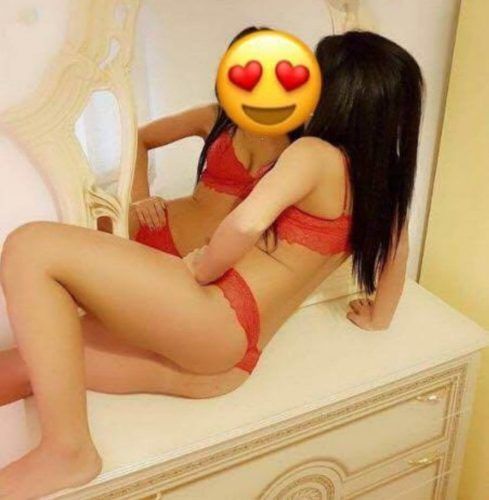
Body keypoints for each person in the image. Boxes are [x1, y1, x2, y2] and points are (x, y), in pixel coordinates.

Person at [0, 30, 423, 498]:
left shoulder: (313, 154)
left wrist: (199, 269)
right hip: (227, 366)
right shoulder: (382, 185)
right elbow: (396, 256)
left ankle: (67, 452)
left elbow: (245, 223)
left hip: (215, 320)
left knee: (30, 246)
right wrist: (377, 317)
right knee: (30, 362)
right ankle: (60, 454)